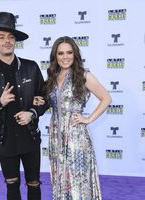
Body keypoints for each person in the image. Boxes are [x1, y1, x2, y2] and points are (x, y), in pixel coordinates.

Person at [0, 12, 48, 200]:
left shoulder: (31, 67)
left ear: (15, 40)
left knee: (34, 185)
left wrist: (32, 113)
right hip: (5, 140)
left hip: (30, 137)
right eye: (1, 37)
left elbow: (44, 98)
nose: (7, 41)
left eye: (11, 37)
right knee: (12, 186)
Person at [34, 36, 112, 200]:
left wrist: (89, 119)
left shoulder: (84, 75)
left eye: (69, 52)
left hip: (76, 136)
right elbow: (51, 102)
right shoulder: (53, 77)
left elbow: (106, 98)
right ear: (55, 56)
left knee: (78, 181)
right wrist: (40, 100)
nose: (65, 57)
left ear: (75, 54)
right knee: (60, 178)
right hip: (56, 137)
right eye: (60, 53)